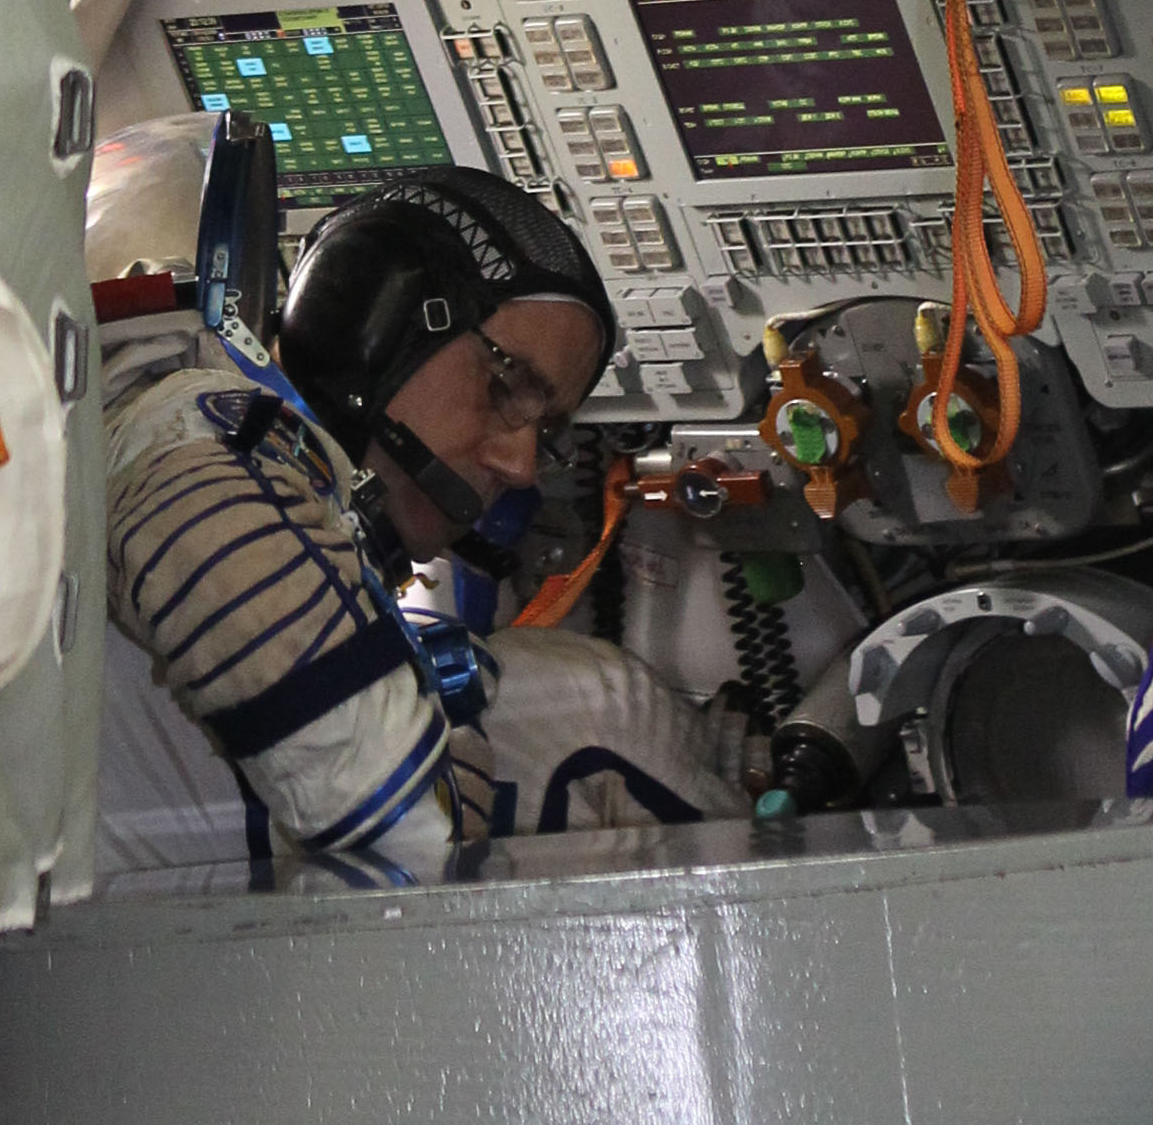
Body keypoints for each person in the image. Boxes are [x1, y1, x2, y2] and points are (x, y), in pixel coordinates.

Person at [93, 135, 742, 880]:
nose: (521, 464)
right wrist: (439, 746)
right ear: (372, 330)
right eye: (506, 389)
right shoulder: (196, 430)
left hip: (187, 928)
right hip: (115, 965)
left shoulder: (240, 458)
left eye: (548, 432)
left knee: (600, 699)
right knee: (600, 708)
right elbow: (389, 814)